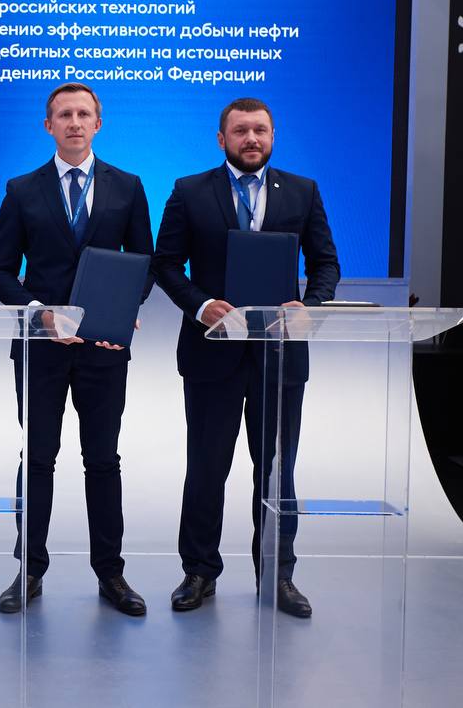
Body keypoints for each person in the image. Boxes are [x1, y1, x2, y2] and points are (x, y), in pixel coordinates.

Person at [151, 97, 339, 618]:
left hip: (280, 356)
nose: (251, 139)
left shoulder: (303, 191)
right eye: (240, 131)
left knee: (277, 471)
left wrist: (311, 306)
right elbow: (165, 264)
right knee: (206, 468)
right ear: (222, 138)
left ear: (273, 136)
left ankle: (278, 575)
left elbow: (326, 263)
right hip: (211, 353)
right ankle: (199, 572)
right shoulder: (189, 191)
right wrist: (201, 306)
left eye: (260, 130)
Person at [0, 82, 154, 616]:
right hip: (41, 347)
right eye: (64, 115)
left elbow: (144, 265)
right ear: (48, 125)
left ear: (98, 124)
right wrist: (39, 312)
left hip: (104, 346)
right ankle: (30, 569)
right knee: (37, 457)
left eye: (84, 114)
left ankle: (111, 573)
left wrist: (121, 307)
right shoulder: (21, 189)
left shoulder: (128, 186)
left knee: (102, 459)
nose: (75, 122)